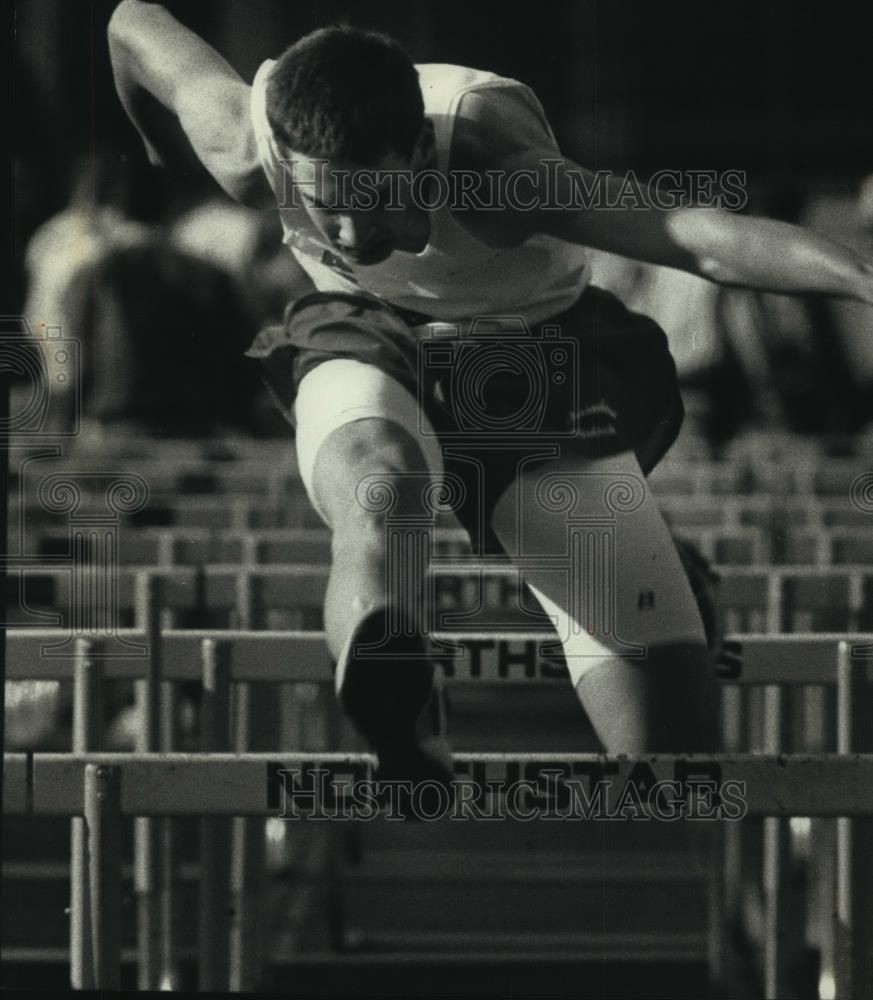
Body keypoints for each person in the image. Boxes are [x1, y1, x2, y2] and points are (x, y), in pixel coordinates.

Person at [107, 2, 873, 796]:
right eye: (320, 202)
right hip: (364, 328)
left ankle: (667, 572)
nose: (343, 230)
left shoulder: (496, 172)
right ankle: (393, 690)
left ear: (415, 153)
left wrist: (860, 277)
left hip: (528, 359)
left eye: (368, 199)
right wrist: (158, 154)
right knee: (382, 485)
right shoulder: (243, 145)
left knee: (669, 763)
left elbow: (692, 237)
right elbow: (129, 23)